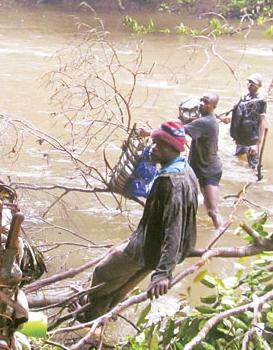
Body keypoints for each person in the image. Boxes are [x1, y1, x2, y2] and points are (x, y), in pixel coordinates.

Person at [80, 122, 198, 321]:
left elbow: (173, 228)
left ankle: (87, 312)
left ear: (173, 149)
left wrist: (163, 273)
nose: (153, 147)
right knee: (121, 288)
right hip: (164, 250)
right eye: (154, 142)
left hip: (149, 248)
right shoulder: (185, 169)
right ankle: (96, 321)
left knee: (103, 273)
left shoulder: (170, 183)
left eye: (160, 145)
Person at [184, 92, 224, 228]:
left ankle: (218, 235)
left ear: (214, 106)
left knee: (213, 211)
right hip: (204, 168)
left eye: (206, 102)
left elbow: (176, 131)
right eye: (201, 100)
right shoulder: (208, 119)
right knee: (208, 206)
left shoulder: (205, 122)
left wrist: (149, 133)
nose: (202, 103)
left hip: (209, 171)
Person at [229, 74, 268, 170]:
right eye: (249, 82)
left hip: (252, 138)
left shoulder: (260, 101)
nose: (250, 85)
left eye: (253, 83)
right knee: (237, 157)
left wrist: (257, 143)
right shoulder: (244, 97)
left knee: (253, 167)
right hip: (241, 136)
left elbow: (262, 122)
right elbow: (239, 114)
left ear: (259, 85)